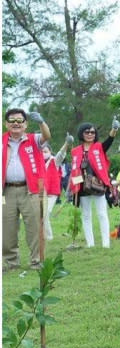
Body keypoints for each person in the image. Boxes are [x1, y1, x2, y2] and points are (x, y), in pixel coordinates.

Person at [3, 108, 50, 270]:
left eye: (19, 121)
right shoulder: (1, 141)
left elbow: (47, 136)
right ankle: (11, 262)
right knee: (7, 227)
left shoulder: (33, 139)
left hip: (30, 190)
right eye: (12, 121)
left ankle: (36, 261)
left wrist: (41, 122)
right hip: (6, 191)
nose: (16, 124)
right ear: (6, 124)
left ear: (25, 124)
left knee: (34, 226)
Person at [68, 119, 118, 248]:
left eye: (92, 132)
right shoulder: (75, 151)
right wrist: (72, 188)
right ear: (81, 134)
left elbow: (109, 140)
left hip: (98, 185)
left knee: (102, 213)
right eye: (87, 132)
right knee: (86, 215)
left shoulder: (99, 147)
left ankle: (106, 244)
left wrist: (114, 129)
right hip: (82, 186)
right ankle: (90, 244)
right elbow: (74, 170)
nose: (90, 134)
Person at [41, 142, 63, 241]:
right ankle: (42, 235)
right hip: (40, 191)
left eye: (45, 151)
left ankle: (49, 236)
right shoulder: (37, 162)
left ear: (50, 151)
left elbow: (61, 154)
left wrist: (66, 144)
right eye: (41, 151)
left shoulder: (54, 160)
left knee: (46, 213)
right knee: (40, 215)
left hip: (51, 193)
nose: (43, 153)